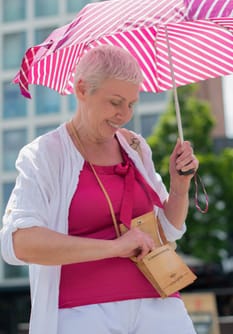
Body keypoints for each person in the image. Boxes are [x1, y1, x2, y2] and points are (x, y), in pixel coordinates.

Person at [0, 45, 198, 334]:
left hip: (160, 302)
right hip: (82, 312)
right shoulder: (43, 154)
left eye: (132, 103)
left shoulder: (136, 147)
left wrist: (180, 186)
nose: (124, 114)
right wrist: (114, 248)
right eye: (115, 102)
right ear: (82, 89)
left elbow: (167, 231)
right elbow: (19, 243)